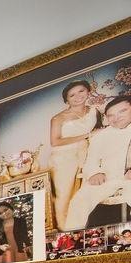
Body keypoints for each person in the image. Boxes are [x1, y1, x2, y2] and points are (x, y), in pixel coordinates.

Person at [64, 96, 131, 231]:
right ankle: (73, 238)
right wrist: (95, 172)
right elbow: (91, 160)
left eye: (122, 111)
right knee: (79, 201)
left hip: (128, 179)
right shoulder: (101, 136)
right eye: (110, 115)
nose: (116, 117)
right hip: (107, 178)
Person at [49, 80, 102, 228]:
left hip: (87, 154)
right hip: (63, 158)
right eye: (72, 95)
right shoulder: (58, 118)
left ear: (88, 92)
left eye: (81, 91)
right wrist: (86, 135)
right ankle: (65, 230)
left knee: (83, 193)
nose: (77, 96)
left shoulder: (94, 111)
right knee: (64, 196)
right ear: (67, 100)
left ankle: (81, 228)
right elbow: (55, 142)